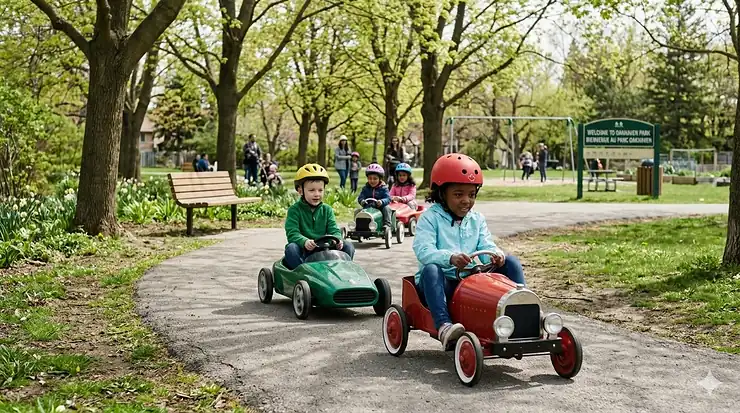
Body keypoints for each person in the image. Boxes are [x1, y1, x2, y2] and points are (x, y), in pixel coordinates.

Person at [412, 153, 526, 349]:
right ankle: (444, 325)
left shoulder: (477, 219)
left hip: (472, 280)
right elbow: (424, 250)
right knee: (431, 269)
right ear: (441, 193)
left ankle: (523, 309)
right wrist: (450, 257)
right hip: (444, 283)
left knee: (511, 261)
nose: (466, 200)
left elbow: (485, 245)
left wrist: (495, 254)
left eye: (471, 194)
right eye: (458, 194)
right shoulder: (430, 218)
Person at [284, 164, 354, 270]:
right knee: (291, 249)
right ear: (300, 191)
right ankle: (303, 272)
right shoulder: (294, 210)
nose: (317, 194)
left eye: (320, 190)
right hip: (304, 252)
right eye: (312, 190)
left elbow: (334, 229)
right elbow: (292, 233)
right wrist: (304, 241)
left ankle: (342, 271)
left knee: (348, 246)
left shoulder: (327, 210)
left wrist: (338, 240)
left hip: (325, 250)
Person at [357, 163, 392, 230]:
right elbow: (361, 197)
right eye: (370, 178)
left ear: (380, 179)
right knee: (357, 211)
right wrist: (362, 201)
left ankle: (387, 225)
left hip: (380, 207)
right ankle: (357, 226)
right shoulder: (365, 188)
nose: (372, 181)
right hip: (368, 207)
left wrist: (382, 201)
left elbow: (388, 198)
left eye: (375, 179)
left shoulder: (384, 188)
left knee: (387, 208)